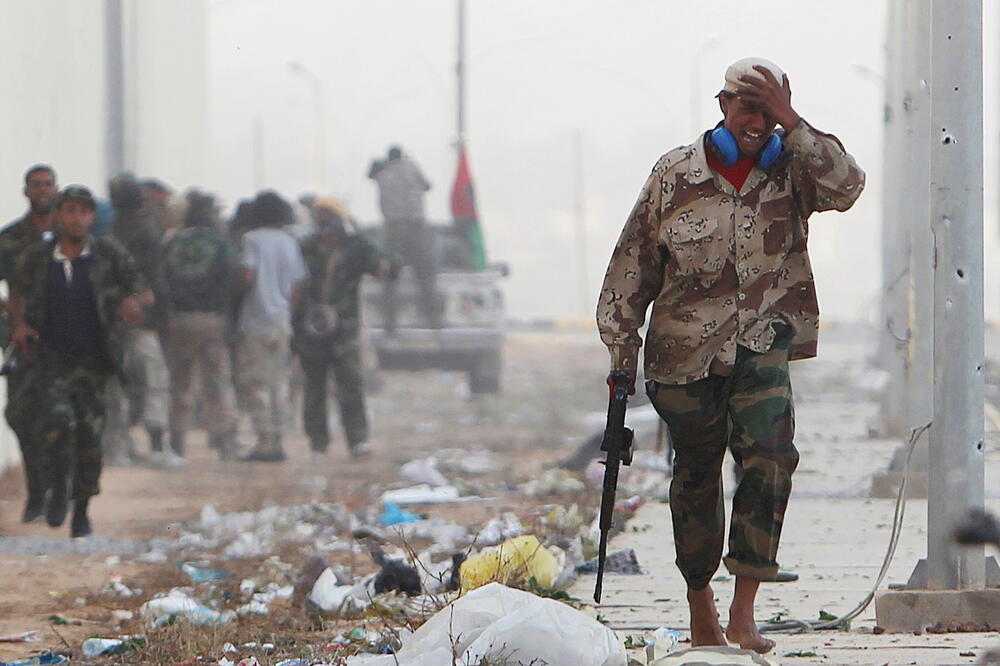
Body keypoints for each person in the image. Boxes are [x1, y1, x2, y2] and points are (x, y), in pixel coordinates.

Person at [596, 58, 864, 654]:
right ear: (722, 105)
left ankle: (745, 612)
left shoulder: (795, 168)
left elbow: (848, 186)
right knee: (695, 477)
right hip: (682, 357)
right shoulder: (675, 174)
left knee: (770, 464)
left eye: (767, 110)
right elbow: (632, 264)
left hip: (762, 346)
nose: (756, 120)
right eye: (748, 106)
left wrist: (791, 121)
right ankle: (701, 608)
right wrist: (621, 350)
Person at [9, 185, 147, 537]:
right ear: (58, 214)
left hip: (95, 361)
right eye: (70, 210)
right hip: (50, 359)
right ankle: (57, 488)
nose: (77, 217)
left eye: (84, 211)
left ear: (92, 216)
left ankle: (82, 508)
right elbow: (17, 292)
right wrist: (20, 325)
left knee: (89, 437)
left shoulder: (108, 253)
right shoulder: (36, 257)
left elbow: (142, 288)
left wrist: (132, 304)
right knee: (57, 422)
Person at [293, 197, 398, 460]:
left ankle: (357, 440)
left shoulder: (356, 248)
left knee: (350, 384)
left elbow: (389, 267)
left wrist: (376, 256)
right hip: (311, 329)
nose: (324, 222)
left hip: (344, 330)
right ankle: (318, 443)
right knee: (314, 387)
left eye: (329, 216)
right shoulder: (306, 248)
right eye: (320, 217)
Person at [162, 190, 243, 459]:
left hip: (180, 318)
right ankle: (225, 440)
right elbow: (233, 280)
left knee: (181, 382)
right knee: (217, 380)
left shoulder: (173, 242)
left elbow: (162, 278)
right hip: (212, 319)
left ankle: (177, 439)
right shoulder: (220, 243)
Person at [0, 164, 58, 522]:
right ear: (26, 191)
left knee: (64, 417)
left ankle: (62, 489)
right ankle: (37, 490)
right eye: (36, 185)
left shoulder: (73, 237)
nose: (42, 190)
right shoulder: (9, 239)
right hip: (22, 339)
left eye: (48, 185)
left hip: (67, 339)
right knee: (21, 414)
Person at [105, 174, 174, 466]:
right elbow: (157, 278)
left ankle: (119, 447)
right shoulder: (148, 231)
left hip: (112, 320)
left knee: (117, 384)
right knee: (153, 381)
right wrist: (162, 315)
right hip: (144, 320)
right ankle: (157, 445)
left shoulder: (107, 233)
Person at [236, 191, 308, 462]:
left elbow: (247, 274)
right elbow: (297, 285)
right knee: (278, 381)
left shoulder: (251, 240)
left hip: (256, 321)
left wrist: (236, 296)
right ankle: (278, 437)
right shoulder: (290, 242)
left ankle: (265, 441)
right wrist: (288, 311)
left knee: (255, 383)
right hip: (281, 322)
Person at [368, 145, 439, 330]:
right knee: (424, 274)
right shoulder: (411, 168)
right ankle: (433, 319)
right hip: (416, 226)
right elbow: (428, 186)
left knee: (390, 274)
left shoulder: (382, 170)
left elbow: (370, 175)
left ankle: (390, 322)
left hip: (393, 228)